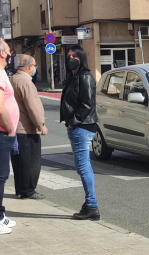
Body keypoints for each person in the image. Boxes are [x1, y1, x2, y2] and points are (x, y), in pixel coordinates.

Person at [60, 45, 99, 221]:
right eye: (68, 55)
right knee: (82, 166)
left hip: (82, 126)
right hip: (79, 126)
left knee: (83, 167)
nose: (71, 58)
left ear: (81, 58)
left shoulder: (84, 77)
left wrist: (73, 122)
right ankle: (90, 204)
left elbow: (87, 104)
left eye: (74, 55)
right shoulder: (74, 77)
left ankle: (92, 206)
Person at [10, 55, 48, 200]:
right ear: (29, 66)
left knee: (18, 161)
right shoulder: (26, 82)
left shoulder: (12, 79)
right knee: (31, 161)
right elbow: (33, 107)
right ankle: (28, 190)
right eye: (34, 65)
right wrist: (41, 125)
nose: (35, 68)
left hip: (14, 127)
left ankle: (20, 189)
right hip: (26, 128)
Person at [0, 39, 19, 234]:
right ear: (2, 53)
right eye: (8, 49)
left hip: (3, 132)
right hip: (2, 132)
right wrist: (10, 128)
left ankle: (1, 215)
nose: (10, 53)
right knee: (1, 175)